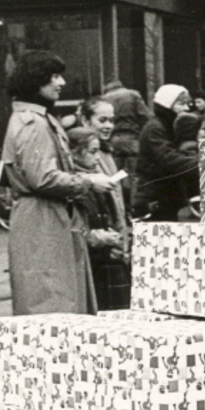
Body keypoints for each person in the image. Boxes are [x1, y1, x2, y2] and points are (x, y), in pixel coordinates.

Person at [3, 51, 113, 316]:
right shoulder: (34, 123)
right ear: (36, 80)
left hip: (46, 218)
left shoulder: (35, 119)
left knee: (55, 299)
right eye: (53, 76)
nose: (61, 82)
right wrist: (88, 181)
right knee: (52, 302)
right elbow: (43, 178)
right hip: (44, 221)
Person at [68, 127, 131, 311]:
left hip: (106, 259)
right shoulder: (74, 185)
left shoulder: (97, 180)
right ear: (75, 153)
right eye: (92, 152)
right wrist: (96, 237)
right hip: (91, 262)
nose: (97, 158)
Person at [133, 84, 200, 221]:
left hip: (165, 195)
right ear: (167, 105)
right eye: (181, 104)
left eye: (187, 104)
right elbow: (170, 158)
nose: (186, 108)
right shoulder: (155, 129)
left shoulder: (168, 126)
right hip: (154, 197)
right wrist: (202, 164)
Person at [101, 79, 150, 186]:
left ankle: (119, 196)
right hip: (132, 138)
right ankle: (134, 196)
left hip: (113, 139)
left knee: (115, 176)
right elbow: (145, 117)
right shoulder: (133, 95)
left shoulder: (104, 99)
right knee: (135, 175)